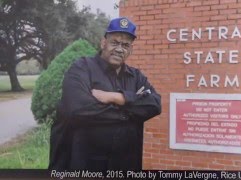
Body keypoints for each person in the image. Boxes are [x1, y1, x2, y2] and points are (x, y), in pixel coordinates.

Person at [48, 17, 161, 170]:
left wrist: (118, 98)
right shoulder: (81, 69)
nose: (120, 49)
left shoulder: (136, 77)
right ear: (103, 43)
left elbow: (154, 104)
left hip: (124, 166)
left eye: (126, 45)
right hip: (83, 165)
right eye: (115, 42)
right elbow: (78, 110)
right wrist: (130, 111)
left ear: (130, 50)